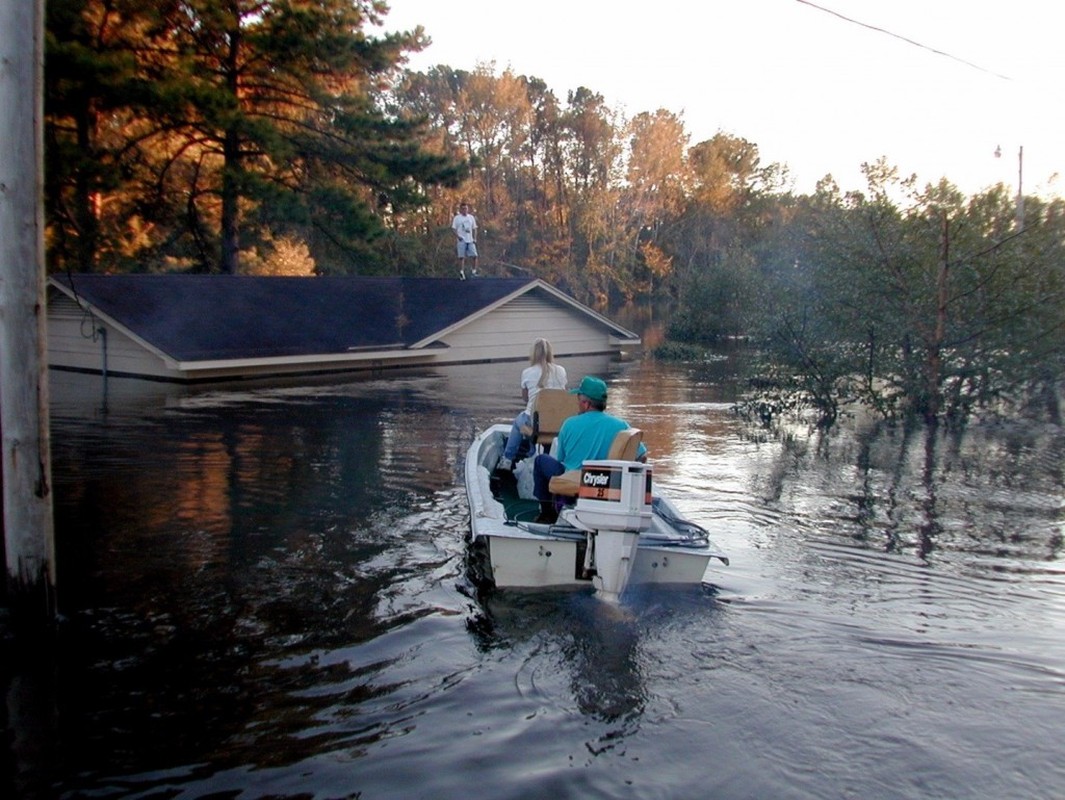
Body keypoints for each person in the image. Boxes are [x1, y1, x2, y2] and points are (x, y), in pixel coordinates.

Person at [532, 375, 647, 523]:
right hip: (606, 483)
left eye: (579, 399)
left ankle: (547, 513)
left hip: (575, 481)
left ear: (586, 404)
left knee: (540, 461)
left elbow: (561, 458)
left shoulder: (569, 424)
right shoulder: (622, 425)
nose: (577, 403)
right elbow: (642, 456)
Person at [499, 338, 568, 470]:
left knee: (520, 420)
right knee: (530, 419)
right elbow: (563, 394)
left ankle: (507, 459)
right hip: (558, 423)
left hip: (537, 424)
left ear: (534, 354)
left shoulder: (527, 372)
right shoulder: (561, 371)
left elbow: (525, 399)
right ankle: (531, 453)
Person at [452, 202, 478, 279]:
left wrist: (475, 238)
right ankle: (461, 272)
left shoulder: (471, 218)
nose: (465, 210)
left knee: (474, 255)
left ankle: (474, 271)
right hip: (461, 240)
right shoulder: (457, 218)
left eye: (466, 208)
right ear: (460, 209)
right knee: (461, 257)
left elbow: (475, 228)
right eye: (463, 209)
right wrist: (458, 236)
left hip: (470, 240)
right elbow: (453, 229)